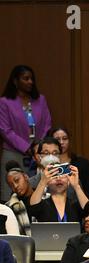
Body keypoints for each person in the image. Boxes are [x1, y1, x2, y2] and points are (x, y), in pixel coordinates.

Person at [0, 65, 52, 202]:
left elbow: (47, 123)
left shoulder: (40, 100)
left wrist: (38, 146)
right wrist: (27, 147)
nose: (30, 82)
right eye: (26, 78)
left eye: (31, 79)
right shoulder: (5, 102)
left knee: (39, 191)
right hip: (13, 154)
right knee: (11, 194)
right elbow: (5, 130)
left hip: (38, 155)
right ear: (15, 81)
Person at [48, 127, 89, 198]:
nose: (61, 142)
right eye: (57, 139)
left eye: (64, 138)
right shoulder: (48, 164)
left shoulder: (82, 163)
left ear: (69, 140)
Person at [5, 161, 33, 235]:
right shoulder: (10, 207)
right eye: (11, 185)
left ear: (26, 177)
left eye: (17, 180)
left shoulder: (46, 197)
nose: (15, 186)